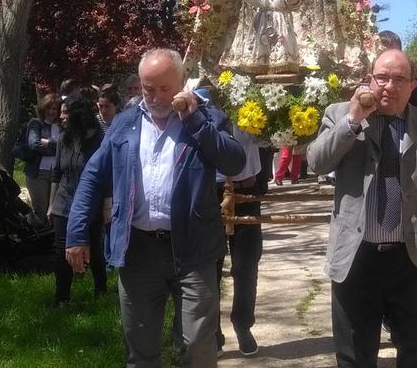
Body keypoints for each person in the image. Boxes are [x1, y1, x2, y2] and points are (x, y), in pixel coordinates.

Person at [66, 48, 245, 368]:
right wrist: (76, 232)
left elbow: (234, 161)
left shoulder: (208, 117)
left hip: (193, 248)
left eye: (165, 89)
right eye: (149, 89)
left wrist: (195, 121)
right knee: (141, 349)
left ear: (182, 82)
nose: (157, 97)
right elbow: (93, 176)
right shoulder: (124, 124)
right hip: (138, 250)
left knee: (198, 347)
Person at [308, 49, 417, 367]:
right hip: (356, 257)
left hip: (413, 257)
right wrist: (352, 122)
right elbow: (316, 162)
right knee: (354, 354)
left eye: (398, 79)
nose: (388, 86)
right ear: (370, 79)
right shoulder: (339, 114)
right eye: (381, 77)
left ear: (413, 84)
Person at [50, 96, 108, 306]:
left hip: (89, 205)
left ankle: (101, 289)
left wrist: (106, 204)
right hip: (63, 203)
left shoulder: (99, 140)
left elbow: (106, 176)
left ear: (78, 115)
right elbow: (56, 173)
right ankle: (61, 298)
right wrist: (51, 204)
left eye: (66, 112)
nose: (61, 116)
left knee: (93, 249)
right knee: (61, 252)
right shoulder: (64, 139)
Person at [215, 128, 264, 356]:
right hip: (210, 191)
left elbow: (269, 136)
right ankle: (212, 332)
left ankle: (243, 324)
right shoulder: (200, 99)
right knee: (210, 267)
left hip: (247, 189)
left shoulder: (248, 95)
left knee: (246, 266)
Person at [14, 94, 61, 218]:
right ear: (43, 109)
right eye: (48, 108)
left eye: (55, 109)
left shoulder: (62, 126)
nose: (51, 112)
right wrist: (58, 150)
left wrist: (49, 143)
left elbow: (68, 146)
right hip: (38, 173)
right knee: (41, 210)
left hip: (58, 174)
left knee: (55, 212)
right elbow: (34, 144)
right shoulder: (36, 123)